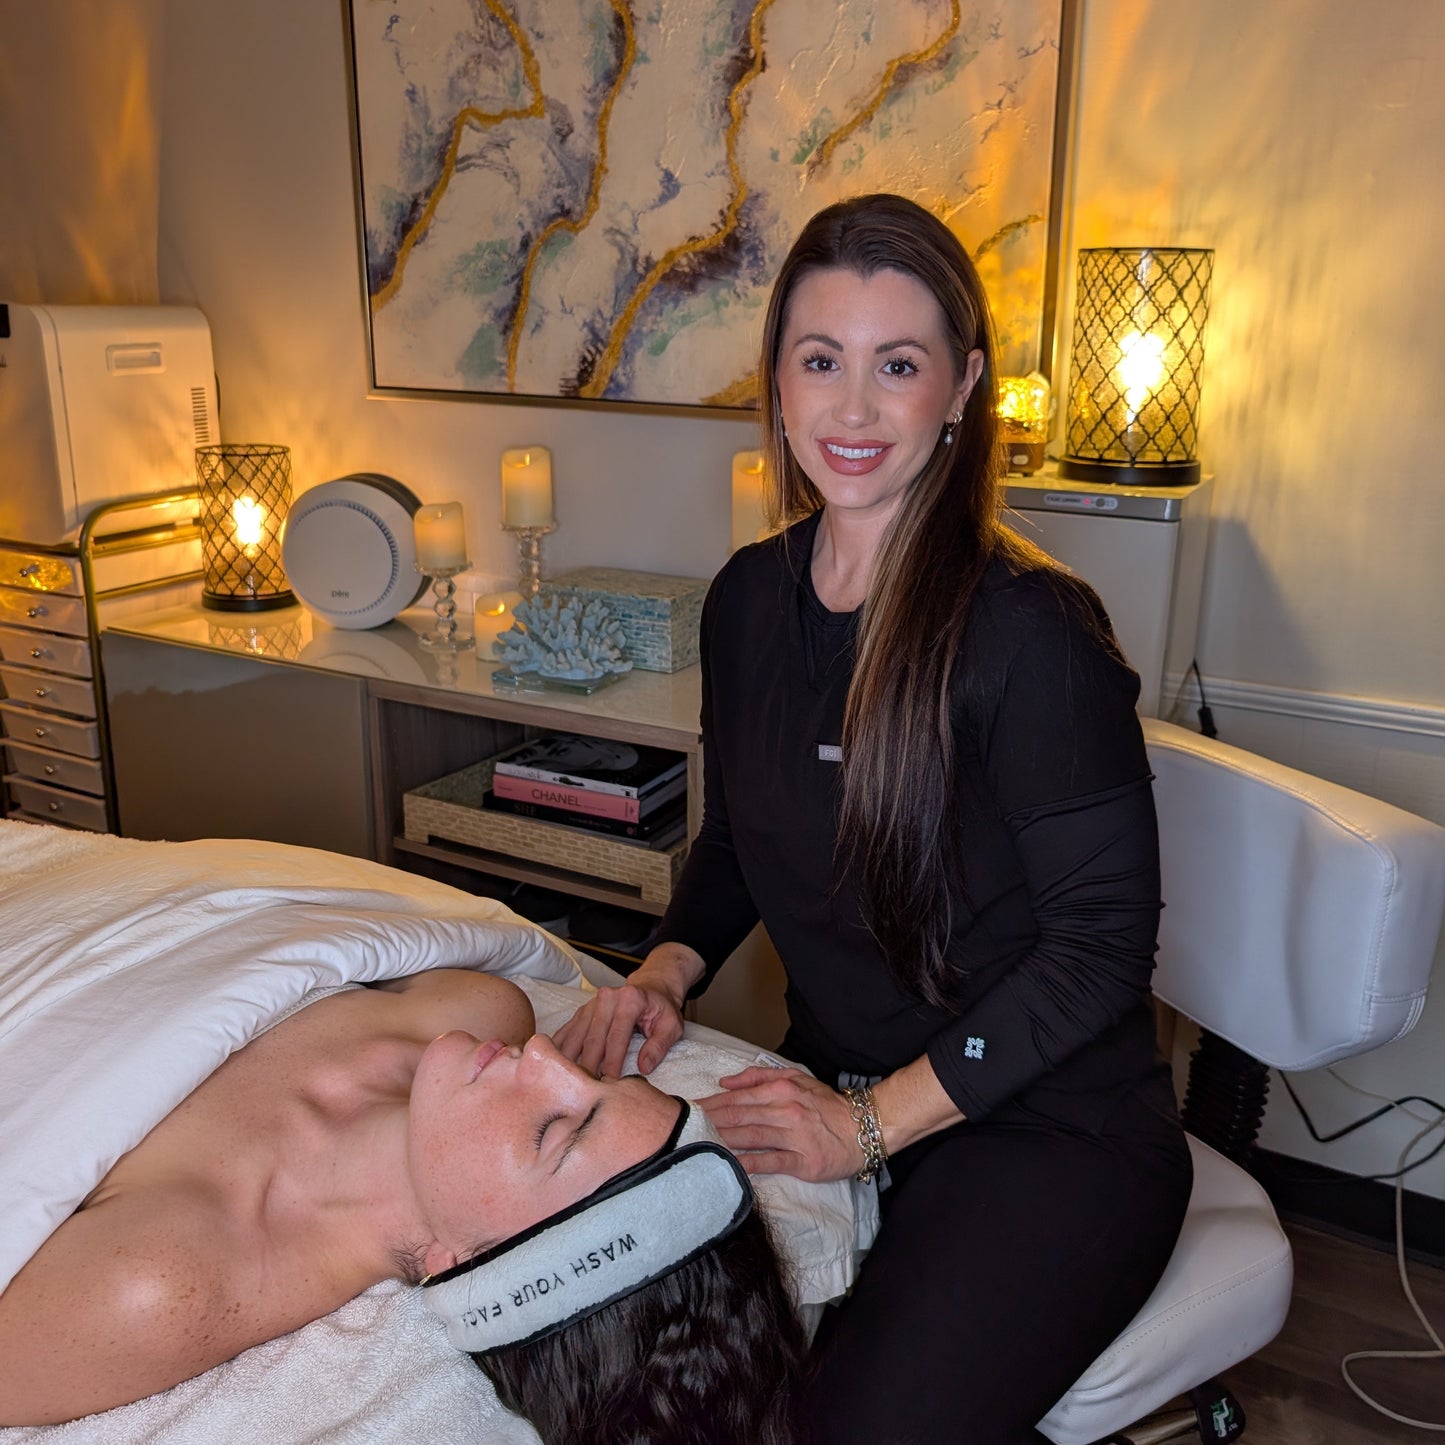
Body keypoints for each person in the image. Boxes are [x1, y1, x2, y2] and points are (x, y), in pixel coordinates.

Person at [555, 192, 1194, 1445]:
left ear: (961, 387)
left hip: (1046, 1129)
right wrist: (666, 971)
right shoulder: (746, 601)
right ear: (777, 382)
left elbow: (1102, 948)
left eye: (896, 365)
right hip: (832, 1082)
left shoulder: (1031, 633)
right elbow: (739, 837)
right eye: (820, 360)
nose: (851, 410)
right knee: (652, 1375)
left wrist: (866, 1125)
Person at [0, 968, 804, 1442]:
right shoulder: (477, 1008)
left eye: (553, 1128)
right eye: (600, 1080)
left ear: (464, 1263)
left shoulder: (158, 1286)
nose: (547, 1056)